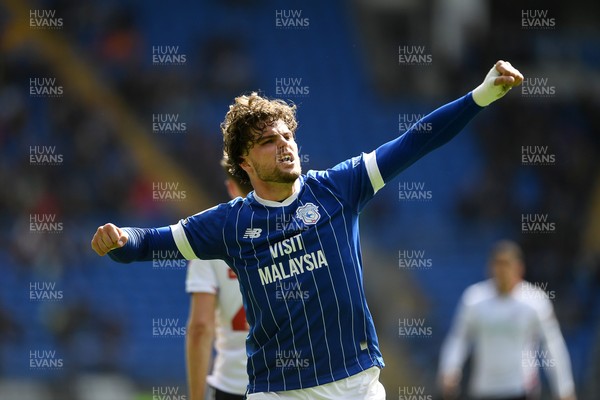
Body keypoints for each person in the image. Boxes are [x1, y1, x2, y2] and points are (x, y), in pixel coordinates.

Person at [91, 60, 523, 399]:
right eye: (268, 141)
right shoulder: (230, 223)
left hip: (354, 383)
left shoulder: (339, 187)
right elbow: (150, 244)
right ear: (244, 163)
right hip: (277, 391)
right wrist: (120, 239)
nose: (284, 145)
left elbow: (416, 140)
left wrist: (481, 95)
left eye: (287, 136)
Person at [438, 240, 576, 400]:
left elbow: (552, 345)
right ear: (490, 268)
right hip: (484, 389)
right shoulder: (474, 299)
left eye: (506, 264)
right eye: (498, 264)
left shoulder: (535, 301)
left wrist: (565, 388)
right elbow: (459, 338)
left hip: (522, 389)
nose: (502, 270)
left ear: (519, 268)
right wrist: (450, 369)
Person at [186, 162, 253, 400]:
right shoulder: (295, 231)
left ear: (231, 187)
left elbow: (200, 328)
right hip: (288, 384)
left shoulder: (209, 239)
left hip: (231, 385)